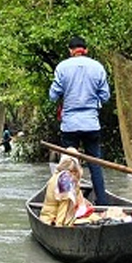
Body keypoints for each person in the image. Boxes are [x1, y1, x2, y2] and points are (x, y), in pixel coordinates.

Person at [49, 35, 111, 204]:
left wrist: (66, 93)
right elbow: (105, 96)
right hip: (91, 123)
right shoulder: (98, 67)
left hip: (70, 124)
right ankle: (103, 203)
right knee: (95, 164)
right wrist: (94, 103)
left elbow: (53, 95)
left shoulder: (62, 67)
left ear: (70, 51)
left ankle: (67, 203)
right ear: (86, 50)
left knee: (68, 165)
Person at [39, 153, 94, 225]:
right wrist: (60, 225)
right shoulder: (65, 180)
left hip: (46, 216)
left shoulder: (57, 176)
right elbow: (64, 207)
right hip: (52, 218)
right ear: (73, 171)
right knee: (93, 219)